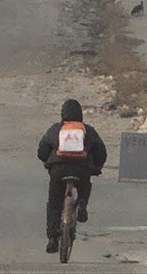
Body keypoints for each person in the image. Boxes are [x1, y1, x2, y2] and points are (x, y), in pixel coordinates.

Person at [36, 98, 108, 254]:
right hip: (81, 168)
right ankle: (82, 203)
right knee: (85, 184)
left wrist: (49, 162)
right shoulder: (88, 130)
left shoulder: (55, 129)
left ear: (63, 114)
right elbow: (101, 152)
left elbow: (41, 151)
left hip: (58, 169)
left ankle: (53, 238)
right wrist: (96, 168)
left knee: (54, 203)